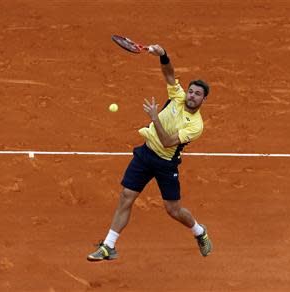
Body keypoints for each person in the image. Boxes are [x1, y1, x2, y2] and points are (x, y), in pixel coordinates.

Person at [87, 44, 212, 261]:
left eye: (197, 94)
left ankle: (199, 232)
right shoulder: (178, 97)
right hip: (145, 154)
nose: (191, 96)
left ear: (203, 100)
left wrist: (155, 118)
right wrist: (163, 54)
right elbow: (169, 73)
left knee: (173, 210)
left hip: (165, 163)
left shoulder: (196, 126)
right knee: (126, 196)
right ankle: (109, 246)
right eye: (191, 91)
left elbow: (166, 142)